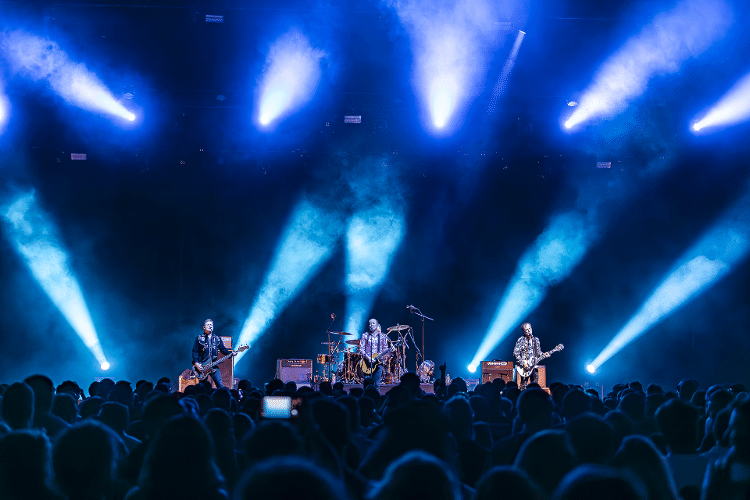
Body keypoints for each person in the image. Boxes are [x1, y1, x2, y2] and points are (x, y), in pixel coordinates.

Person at [192, 319, 236, 388]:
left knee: (220, 385)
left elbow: (223, 349)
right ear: (204, 327)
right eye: (208, 325)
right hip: (202, 365)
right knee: (202, 387)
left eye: (211, 325)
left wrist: (231, 353)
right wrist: (197, 363)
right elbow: (195, 351)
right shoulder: (199, 338)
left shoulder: (217, 338)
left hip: (214, 364)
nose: (210, 326)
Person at [358, 319, 393, 388]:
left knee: (376, 385)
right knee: (367, 386)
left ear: (377, 325)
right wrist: (368, 358)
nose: (371, 325)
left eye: (373, 323)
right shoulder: (365, 336)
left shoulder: (383, 336)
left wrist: (390, 350)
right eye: (370, 324)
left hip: (378, 363)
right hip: (366, 363)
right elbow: (361, 349)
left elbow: (385, 349)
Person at [513, 323, 542, 390]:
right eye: (527, 330)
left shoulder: (536, 340)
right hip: (524, 367)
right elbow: (515, 353)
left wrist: (544, 355)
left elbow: (539, 353)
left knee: (535, 386)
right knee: (523, 386)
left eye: (530, 329)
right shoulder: (521, 340)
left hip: (533, 366)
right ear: (523, 331)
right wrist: (523, 363)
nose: (529, 331)